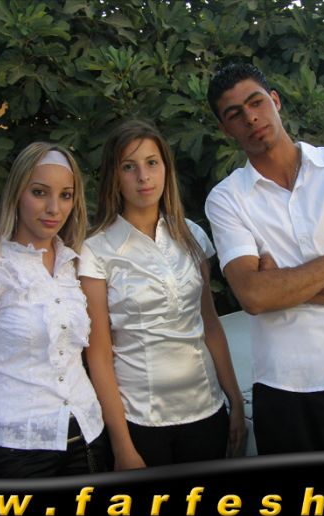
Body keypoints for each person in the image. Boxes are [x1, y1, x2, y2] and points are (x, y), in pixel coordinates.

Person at [204, 63, 324, 454]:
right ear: (226, 129)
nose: (251, 118)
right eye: (235, 114)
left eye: (256, 102)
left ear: (275, 101)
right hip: (285, 393)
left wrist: (283, 287)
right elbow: (255, 297)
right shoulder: (226, 200)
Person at [79, 119, 245, 469]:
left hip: (207, 411)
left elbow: (210, 325)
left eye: (152, 162)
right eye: (129, 166)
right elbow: (99, 354)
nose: (143, 176)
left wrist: (235, 401)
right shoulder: (96, 250)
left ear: (166, 168)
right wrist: (122, 445)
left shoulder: (191, 235)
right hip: (141, 422)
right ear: (114, 176)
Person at [0, 142, 108, 478]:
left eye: (65, 195)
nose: (54, 208)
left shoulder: (75, 264)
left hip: (89, 437)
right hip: (19, 451)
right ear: (16, 194)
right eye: (39, 192)